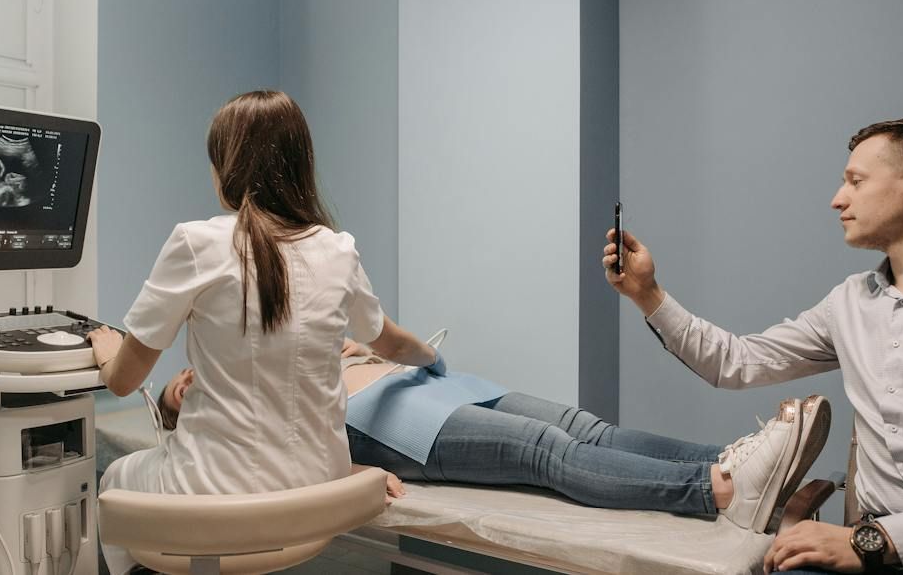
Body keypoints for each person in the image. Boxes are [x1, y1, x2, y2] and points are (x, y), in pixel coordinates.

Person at [602, 118, 903, 573]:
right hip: (871, 550)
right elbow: (736, 362)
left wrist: (875, 542)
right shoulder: (849, 302)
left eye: (855, 181)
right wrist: (648, 293)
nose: (836, 199)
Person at [87, 90, 442, 575]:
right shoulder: (337, 249)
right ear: (300, 166)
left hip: (220, 495)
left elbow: (124, 382)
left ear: (225, 167)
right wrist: (432, 360)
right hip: (319, 492)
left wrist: (108, 351)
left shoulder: (196, 243)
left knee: (114, 478)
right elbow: (395, 343)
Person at [155, 338, 832, 533]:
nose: (192, 378)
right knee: (546, 454)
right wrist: (348, 475)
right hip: (389, 424)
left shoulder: (266, 333)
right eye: (184, 388)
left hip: (429, 384)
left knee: (585, 425)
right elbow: (276, 448)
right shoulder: (232, 399)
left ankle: (737, 463)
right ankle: (713, 490)